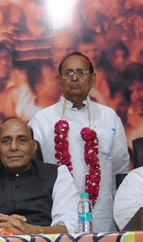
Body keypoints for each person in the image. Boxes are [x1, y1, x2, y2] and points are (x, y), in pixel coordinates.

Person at [30, 53, 131, 232]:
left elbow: (120, 169)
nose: (75, 78)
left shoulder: (109, 117)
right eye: (68, 73)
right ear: (59, 81)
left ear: (92, 80)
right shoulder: (41, 120)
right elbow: (35, 172)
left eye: (81, 72)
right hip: (57, 217)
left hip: (104, 217)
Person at [0, 118, 77, 234]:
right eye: (6, 141)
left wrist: (34, 231)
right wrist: (7, 233)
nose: (13, 147)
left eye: (22, 140)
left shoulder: (58, 175)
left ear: (33, 146)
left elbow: (72, 227)